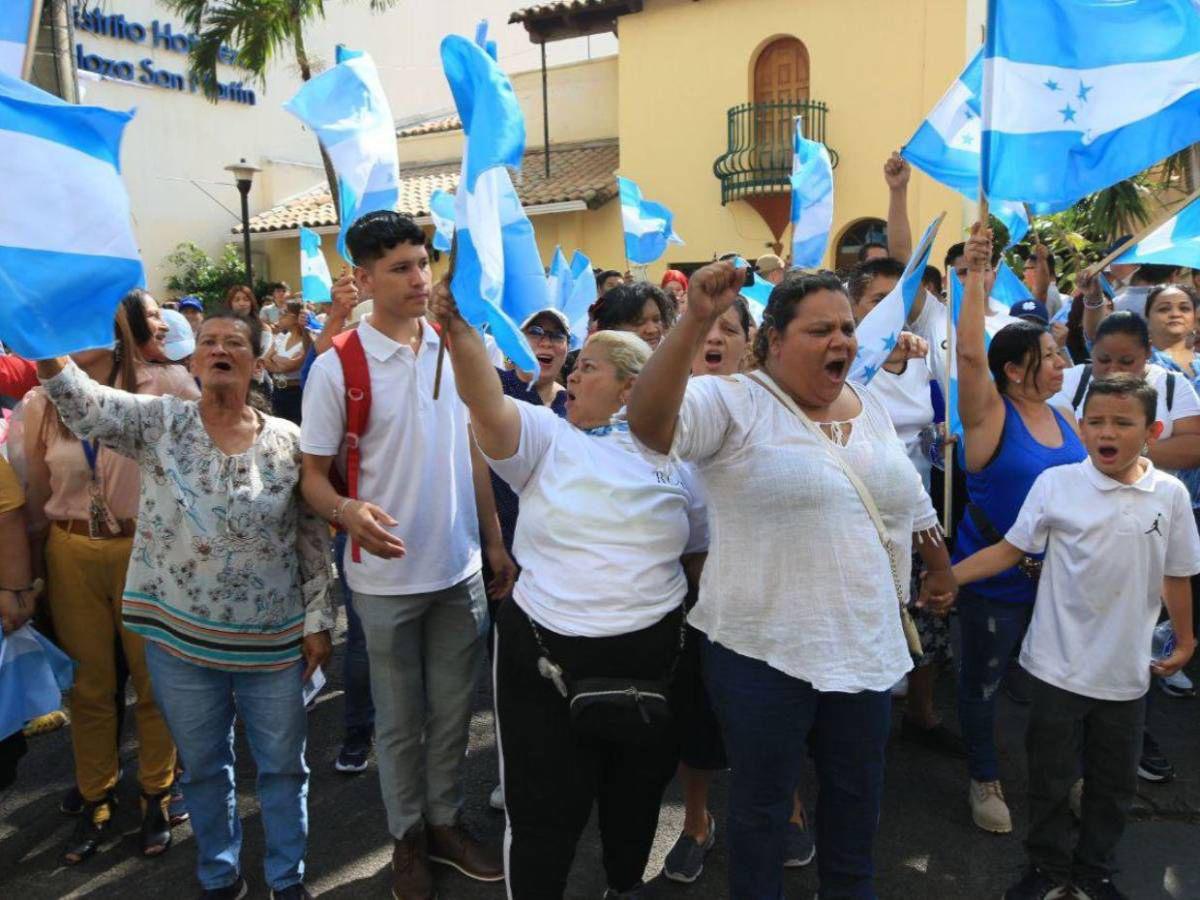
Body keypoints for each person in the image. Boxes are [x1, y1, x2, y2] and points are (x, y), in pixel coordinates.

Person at [627, 262, 957, 899]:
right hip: (759, 654)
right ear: (772, 340)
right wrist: (694, 319)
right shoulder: (732, 401)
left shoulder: (869, 404)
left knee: (856, 806)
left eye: (846, 328)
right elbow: (649, 423)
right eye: (819, 331)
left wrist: (938, 562)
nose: (842, 341)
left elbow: (908, 494)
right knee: (762, 810)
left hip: (865, 645)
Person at [35, 309, 335, 900]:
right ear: (193, 361)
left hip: (273, 645)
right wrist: (41, 335)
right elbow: (83, 403)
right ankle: (220, 876)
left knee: (282, 768)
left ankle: (287, 878)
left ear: (254, 361)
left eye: (233, 343)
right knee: (203, 770)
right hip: (180, 645)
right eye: (208, 342)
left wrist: (319, 623)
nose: (219, 349)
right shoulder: (161, 423)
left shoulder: (290, 442)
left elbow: (311, 541)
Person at [431, 268, 707, 897]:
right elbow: (485, 402)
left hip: (649, 660)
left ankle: (621, 886)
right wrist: (459, 329)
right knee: (542, 812)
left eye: (589, 369)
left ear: (632, 387)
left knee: (633, 803)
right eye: (574, 368)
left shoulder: (679, 461)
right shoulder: (546, 434)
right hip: (543, 661)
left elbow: (697, 558)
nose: (572, 377)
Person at [300, 211, 504, 899]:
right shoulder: (339, 366)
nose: (420, 278)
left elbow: (475, 445)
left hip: (460, 568)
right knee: (397, 723)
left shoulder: (453, 344)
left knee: (453, 715)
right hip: (383, 579)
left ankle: (445, 824)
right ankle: (407, 837)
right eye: (400, 268)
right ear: (363, 277)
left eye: (423, 263)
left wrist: (494, 540)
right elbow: (312, 474)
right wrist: (345, 511)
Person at [953, 374, 1199, 900]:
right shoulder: (1057, 484)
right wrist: (947, 577)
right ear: (1081, 427)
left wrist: (1185, 639)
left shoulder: (1171, 495)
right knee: (1049, 780)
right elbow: (1009, 550)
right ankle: (1045, 869)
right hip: (1055, 668)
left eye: (1121, 422)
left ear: (1151, 430)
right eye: (1095, 421)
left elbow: (1176, 573)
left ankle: (1094, 873)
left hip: (1126, 675)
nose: (1105, 432)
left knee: (1112, 788)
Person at [22, 290, 198, 864]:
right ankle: (97, 795)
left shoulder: (165, 385)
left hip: (146, 549)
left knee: (154, 681)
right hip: (71, 551)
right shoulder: (40, 401)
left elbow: (198, 469)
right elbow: (36, 497)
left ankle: (156, 790)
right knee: (90, 687)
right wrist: (26, 576)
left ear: (115, 324)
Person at [952, 223, 1087, 835]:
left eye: (1060, 353)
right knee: (981, 685)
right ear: (1011, 370)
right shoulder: (988, 416)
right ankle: (984, 777)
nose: (1061, 362)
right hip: (995, 582)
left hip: (1060, 584)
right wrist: (976, 277)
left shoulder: (1065, 416)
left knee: (1059, 687)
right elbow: (969, 355)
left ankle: (1066, 775)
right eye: (1049, 356)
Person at [846, 259, 965, 758]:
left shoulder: (925, 361)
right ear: (855, 307)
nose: (890, 310)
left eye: (899, 299)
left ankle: (922, 712)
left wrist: (943, 432)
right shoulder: (847, 361)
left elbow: (942, 414)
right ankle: (848, 719)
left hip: (918, 511)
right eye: (877, 300)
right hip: (857, 515)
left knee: (926, 614)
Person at [264, 300, 312, 425]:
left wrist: (274, 358)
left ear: (297, 318)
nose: (280, 315)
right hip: (277, 391)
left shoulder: (306, 342)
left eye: (284, 312)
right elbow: (265, 360)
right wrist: (282, 365)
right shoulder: (281, 336)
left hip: (296, 393)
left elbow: (293, 364)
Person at [593, 282, 676, 350]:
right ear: (612, 327)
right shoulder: (596, 366)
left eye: (656, 320)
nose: (652, 330)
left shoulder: (676, 363)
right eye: (638, 322)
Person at [1145, 284, 1199, 379]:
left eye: (1184, 309)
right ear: (1148, 318)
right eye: (1164, 309)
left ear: (1194, 319)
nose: (1175, 314)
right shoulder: (1138, 362)